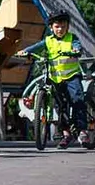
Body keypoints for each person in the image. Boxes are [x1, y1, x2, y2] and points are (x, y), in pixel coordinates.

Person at [17, 9, 89, 149]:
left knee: (77, 100)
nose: (60, 29)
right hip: (55, 79)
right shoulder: (48, 41)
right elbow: (36, 47)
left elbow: (78, 48)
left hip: (71, 77)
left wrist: (75, 51)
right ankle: (66, 134)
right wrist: (25, 51)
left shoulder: (72, 38)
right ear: (51, 27)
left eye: (63, 26)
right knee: (60, 106)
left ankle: (82, 131)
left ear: (67, 26)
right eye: (57, 26)